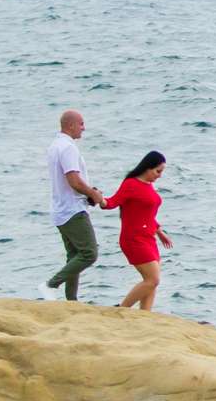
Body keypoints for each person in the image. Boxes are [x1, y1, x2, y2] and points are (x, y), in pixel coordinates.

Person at [43, 110, 105, 300]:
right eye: (81, 124)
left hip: (60, 209)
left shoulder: (55, 145)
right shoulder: (68, 148)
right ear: (70, 125)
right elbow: (74, 181)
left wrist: (88, 193)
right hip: (72, 210)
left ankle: (71, 300)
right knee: (89, 253)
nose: (83, 128)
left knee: (74, 256)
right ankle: (51, 284)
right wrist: (93, 193)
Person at [103, 151, 175, 311]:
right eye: (158, 171)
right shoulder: (131, 184)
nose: (159, 175)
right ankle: (121, 309)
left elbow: (146, 215)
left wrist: (160, 232)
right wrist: (98, 199)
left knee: (151, 282)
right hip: (134, 239)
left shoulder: (148, 185)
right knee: (152, 280)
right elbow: (112, 202)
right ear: (147, 168)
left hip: (149, 238)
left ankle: (145, 315)